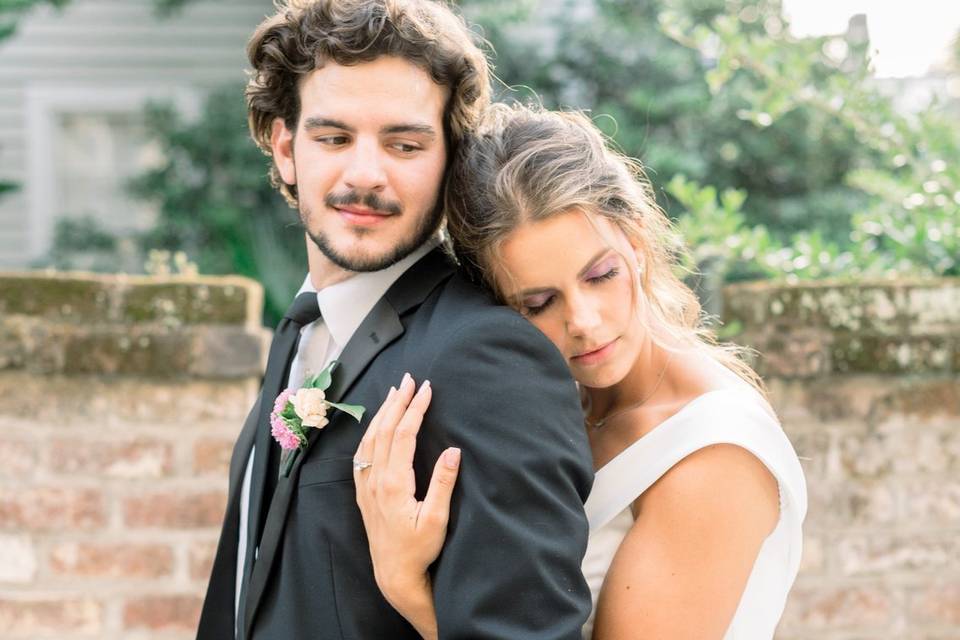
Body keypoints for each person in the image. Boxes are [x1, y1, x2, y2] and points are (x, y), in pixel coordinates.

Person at [196, 3, 595, 639]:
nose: (364, 175)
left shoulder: (486, 357)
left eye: (404, 145)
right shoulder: (301, 329)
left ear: (450, 159)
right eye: (332, 138)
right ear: (285, 147)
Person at [353, 104, 808, 639]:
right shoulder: (551, 407)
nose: (585, 324)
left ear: (636, 245)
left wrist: (407, 585)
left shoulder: (715, 456)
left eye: (601, 275)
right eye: (539, 303)